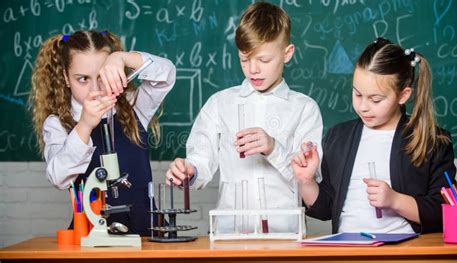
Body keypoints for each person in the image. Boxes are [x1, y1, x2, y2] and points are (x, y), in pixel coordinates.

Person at [166, 2, 323, 233]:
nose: (253, 70)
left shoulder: (304, 109)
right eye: (244, 59)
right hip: (229, 234)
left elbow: (311, 178)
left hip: (286, 235)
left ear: (287, 53)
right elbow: (201, 161)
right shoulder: (220, 104)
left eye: (264, 60)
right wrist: (189, 171)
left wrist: (273, 148)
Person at [292, 38, 456, 234]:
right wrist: (306, 182)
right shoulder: (338, 138)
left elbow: (444, 211)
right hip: (347, 251)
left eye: (375, 99)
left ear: (403, 96)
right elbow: (327, 208)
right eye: (357, 94)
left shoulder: (431, 141)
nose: (363, 106)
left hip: (405, 251)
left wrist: (395, 200)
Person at [30, 30, 176, 235]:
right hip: (90, 234)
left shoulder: (134, 104)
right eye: (83, 79)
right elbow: (58, 177)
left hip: (145, 233)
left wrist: (122, 58)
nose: (94, 89)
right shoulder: (58, 124)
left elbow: (167, 74)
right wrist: (85, 125)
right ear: (66, 77)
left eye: (101, 76)